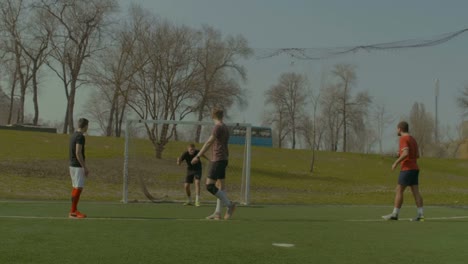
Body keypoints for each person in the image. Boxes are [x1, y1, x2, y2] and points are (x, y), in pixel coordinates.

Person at [191, 108, 237, 220]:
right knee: (220, 186)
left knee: (209, 186)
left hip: (217, 159)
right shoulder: (225, 127)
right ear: (222, 116)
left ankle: (229, 205)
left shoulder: (218, 127)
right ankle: (217, 213)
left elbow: (209, 142)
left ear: (212, 116)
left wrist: (197, 156)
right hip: (224, 158)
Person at [383, 121, 424, 221]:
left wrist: (396, 162)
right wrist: (398, 154)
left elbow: (406, 153)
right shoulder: (412, 139)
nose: (396, 130)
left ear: (400, 129)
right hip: (415, 168)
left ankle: (395, 214)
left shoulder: (403, 138)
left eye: (397, 129)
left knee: (399, 190)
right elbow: (417, 155)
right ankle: (420, 215)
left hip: (407, 169)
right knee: (416, 192)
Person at [68, 118, 89, 219]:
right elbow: (78, 152)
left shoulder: (74, 135)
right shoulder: (80, 136)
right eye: (87, 126)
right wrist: (84, 167)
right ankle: (73, 212)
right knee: (78, 188)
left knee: (76, 187)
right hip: (77, 165)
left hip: (72, 165)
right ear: (85, 126)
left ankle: (73, 211)